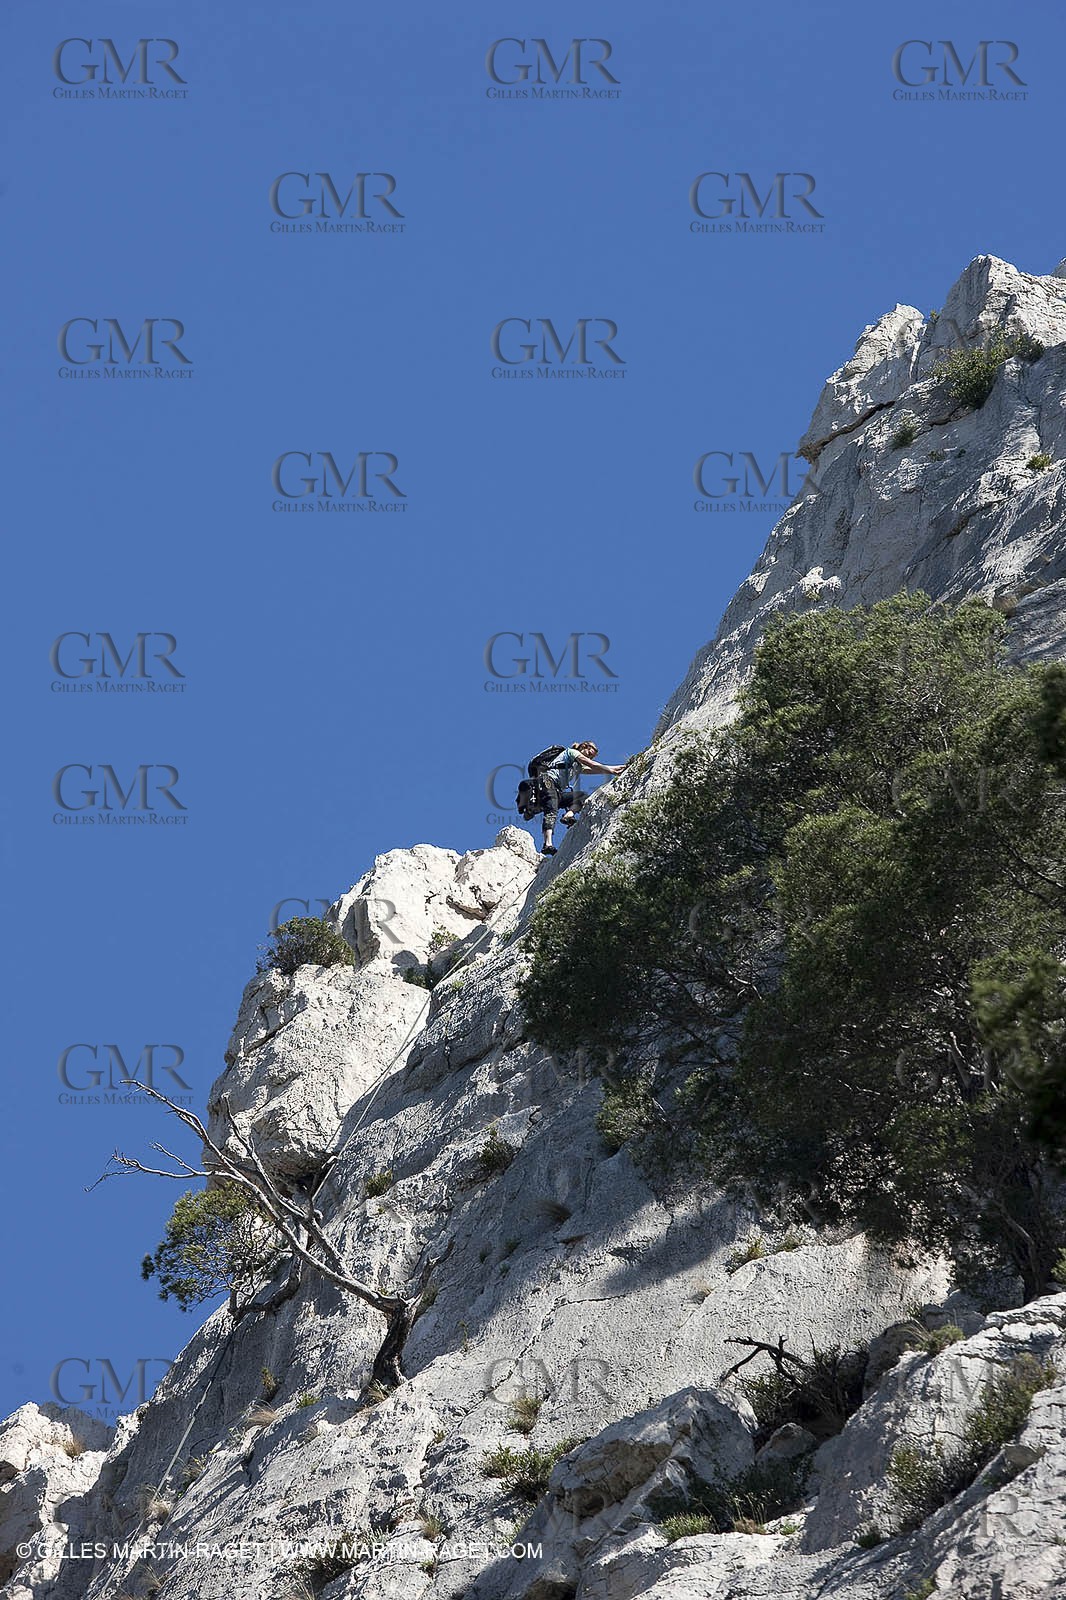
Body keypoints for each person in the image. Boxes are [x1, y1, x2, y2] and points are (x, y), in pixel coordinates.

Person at [536, 741, 625, 857]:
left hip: (557, 790)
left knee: (582, 797)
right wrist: (611, 771)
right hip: (546, 781)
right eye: (589, 753)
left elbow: (595, 769)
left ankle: (568, 815)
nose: (589, 756)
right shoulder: (571, 752)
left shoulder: (577, 766)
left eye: (591, 756)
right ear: (583, 747)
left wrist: (616, 768)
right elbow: (591, 764)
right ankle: (547, 844)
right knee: (551, 809)